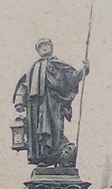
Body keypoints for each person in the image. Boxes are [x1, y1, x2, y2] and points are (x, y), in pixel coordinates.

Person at [13, 38, 89, 166]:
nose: (43, 47)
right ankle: (43, 158)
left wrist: (84, 70)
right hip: (36, 105)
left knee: (55, 128)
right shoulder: (33, 68)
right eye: (40, 46)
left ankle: (59, 155)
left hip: (54, 103)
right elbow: (24, 85)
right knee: (38, 131)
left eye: (45, 45)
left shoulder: (58, 64)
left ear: (51, 47)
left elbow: (72, 77)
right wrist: (19, 100)